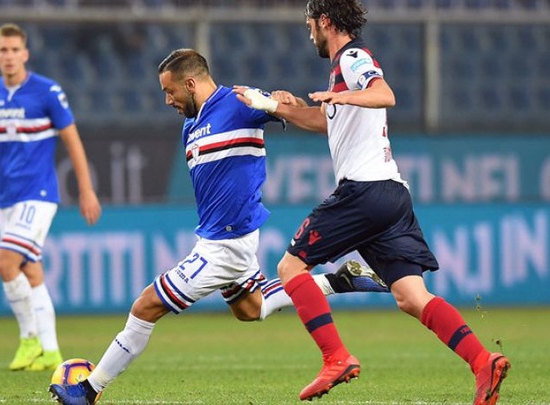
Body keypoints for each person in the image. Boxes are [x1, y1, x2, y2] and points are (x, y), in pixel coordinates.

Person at [49, 48, 388, 405]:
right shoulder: (190, 127)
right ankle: (340, 280)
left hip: (224, 244)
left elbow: (291, 108)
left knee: (145, 306)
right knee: (249, 309)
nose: (167, 100)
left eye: (170, 91)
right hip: (222, 238)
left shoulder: (242, 102)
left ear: (191, 83)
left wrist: (283, 98)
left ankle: (88, 391)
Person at [234, 1, 511, 404]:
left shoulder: (353, 57)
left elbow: (384, 94)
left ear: (325, 22)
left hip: (363, 191)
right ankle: (482, 360)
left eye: (310, 22)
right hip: (391, 194)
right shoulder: (341, 72)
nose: (308, 30)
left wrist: (345, 97)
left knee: (290, 267)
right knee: (412, 296)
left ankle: (336, 357)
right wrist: (276, 108)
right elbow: (323, 121)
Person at [0, 23, 102, 372]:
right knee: (31, 270)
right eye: (3, 51)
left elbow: (72, 139)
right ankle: (52, 352)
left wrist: (85, 189)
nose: (9, 56)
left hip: (38, 194)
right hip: (6, 197)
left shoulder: (47, 92)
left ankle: (29, 339)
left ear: (25, 54)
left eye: (15, 50)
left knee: (5, 263)